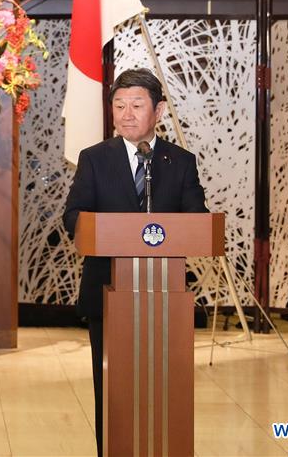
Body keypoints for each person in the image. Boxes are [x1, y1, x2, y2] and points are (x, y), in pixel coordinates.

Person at [63, 68, 207, 457]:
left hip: (165, 297)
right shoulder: (94, 159)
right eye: (119, 105)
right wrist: (110, 231)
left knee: (163, 386)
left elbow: (197, 220)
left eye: (137, 105)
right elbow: (73, 216)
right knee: (111, 388)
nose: (126, 114)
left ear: (158, 110)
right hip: (108, 292)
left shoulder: (181, 162)